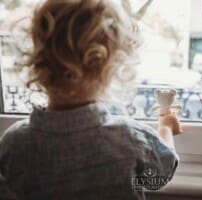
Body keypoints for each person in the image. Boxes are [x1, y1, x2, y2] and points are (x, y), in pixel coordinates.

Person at [0, 0, 182, 199]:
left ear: (37, 63)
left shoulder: (13, 144)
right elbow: (161, 174)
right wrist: (165, 127)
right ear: (109, 66)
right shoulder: (130, 138)